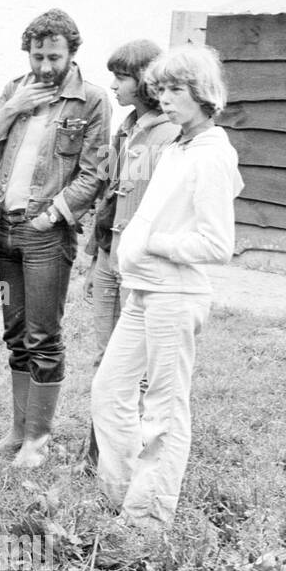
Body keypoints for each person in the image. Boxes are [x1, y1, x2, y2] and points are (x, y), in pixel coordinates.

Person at [91, 45, 242, 531]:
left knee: (164, 409)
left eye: (177, 89)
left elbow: (218, 243)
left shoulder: (213, 154)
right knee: (109, 389)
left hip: (176, 294)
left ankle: (148, 521)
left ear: (204, 94)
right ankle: (120, 495)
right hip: (144, 290)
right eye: (163, 89)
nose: (167, 99)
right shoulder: (180, 146)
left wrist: (153, 242)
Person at [0, 9, 112, 468]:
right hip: (4, 229)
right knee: (15, 333)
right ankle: (16, 432)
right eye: (38, 56)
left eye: (54, 56)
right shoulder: (15, 90)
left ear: (72, 54)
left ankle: (38, 440)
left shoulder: (91, 101)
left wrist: (51, 216)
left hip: (46, 233)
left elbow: (93, 174)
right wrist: (11, 109)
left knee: (42, 335)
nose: (46, 67)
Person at [77, 40, 181, 473]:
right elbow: (106, 195)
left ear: (145, 82)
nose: (114, 85)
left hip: (142, 265)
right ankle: (97, 451)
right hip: (108, 259)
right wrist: (92, 258)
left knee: (138, 367)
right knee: (106, 358)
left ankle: (132, 454)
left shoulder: (169, 133)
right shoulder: (124, 127)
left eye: (121, 77)